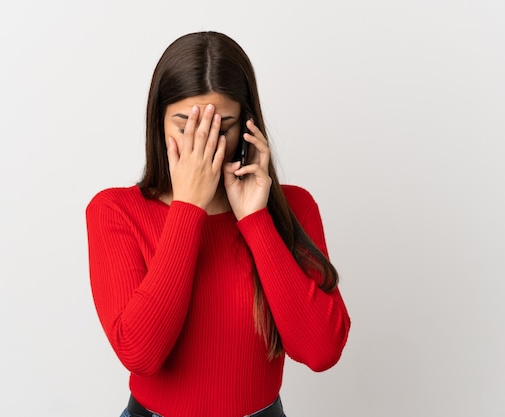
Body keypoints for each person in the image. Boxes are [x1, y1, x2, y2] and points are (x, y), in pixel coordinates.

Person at [86, 31, 351, 417]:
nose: (203, 144)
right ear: (158, 123)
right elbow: (140, 354)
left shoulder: (295, 207)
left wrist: (256, 221)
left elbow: (321, 350)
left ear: (247, 127)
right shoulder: (115, 211)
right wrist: (188, 208)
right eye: (185, 125)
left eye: (221, 126)